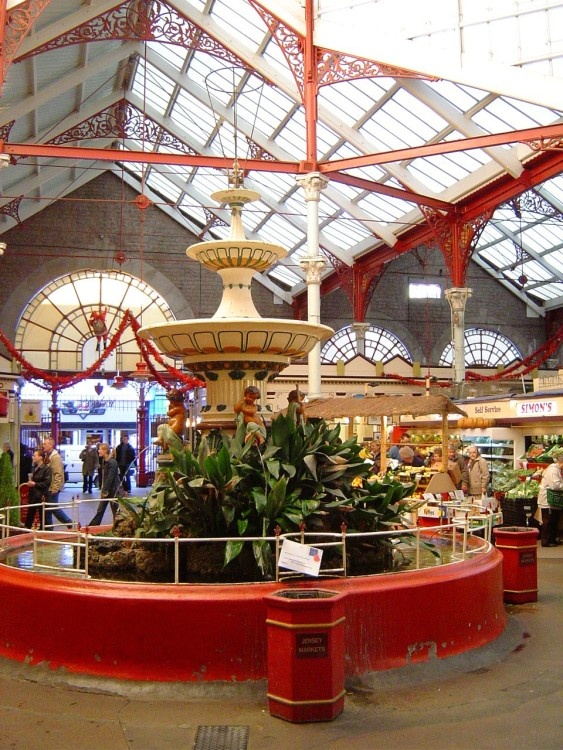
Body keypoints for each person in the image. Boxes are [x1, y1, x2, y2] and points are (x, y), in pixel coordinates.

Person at [42, 437, 73, 529]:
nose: (43, 445)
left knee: (53, 507)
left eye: (45, 444)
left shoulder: (55, 457)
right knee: (47, 507)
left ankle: (68, 522)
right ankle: (48, 527)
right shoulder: (48, 455)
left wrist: (55, 487)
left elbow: (58, 473)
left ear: (51, 445)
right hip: (49, 486)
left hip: (53, 487)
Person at [88, 443, 121, 527]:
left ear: (105, 450)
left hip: (113, 490)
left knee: (115, 510)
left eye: (100, 449)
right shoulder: (105, 461)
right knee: (101, 510)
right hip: (108, 489)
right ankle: (93, 527)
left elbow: (110, 478)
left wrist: (104, 490)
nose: (98, 450)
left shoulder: (112, 462)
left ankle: (119, 527)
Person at [537, 446, 563, 547]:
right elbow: (555, 485)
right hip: (547, 500)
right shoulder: (553, 470)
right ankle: (546, 541)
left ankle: (552, 539)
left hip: (552, 500)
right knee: (548, 521)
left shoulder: (556, 469)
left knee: (553, 520)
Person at [24, 448, 51, 530]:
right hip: (33, 494)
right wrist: (30, 483)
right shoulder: (33, 468)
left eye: (34, 455)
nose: (33, 457)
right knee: (30, 514)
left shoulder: (46, 469)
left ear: (40, 457)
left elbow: (47, 483)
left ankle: (43, 532)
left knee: (42, 515)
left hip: (41, 496)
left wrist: (35, 484)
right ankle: (26, 530)